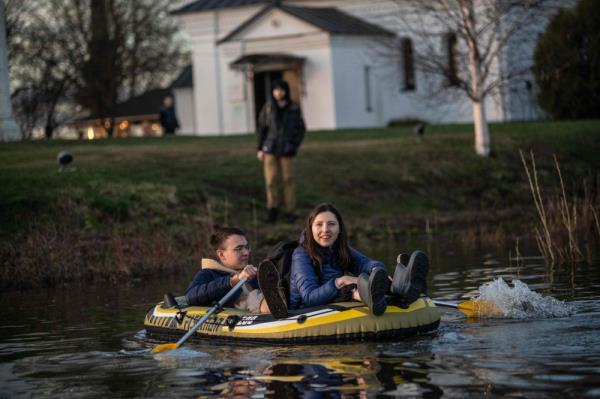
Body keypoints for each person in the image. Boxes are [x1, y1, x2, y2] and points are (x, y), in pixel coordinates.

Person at [259, 203, 429, 316]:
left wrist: (377, 271)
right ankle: (372, 293)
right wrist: (340, 281)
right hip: (306, 308)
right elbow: (310, 296)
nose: (325, 230)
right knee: (349, 286)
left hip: (334, 298)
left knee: (371, 276)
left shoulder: (341, 249)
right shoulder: (301, 254)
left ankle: (401, 286)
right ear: (310, 229)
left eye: (331, 224)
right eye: (319, 225)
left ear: (339, 228)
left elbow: (367, 263)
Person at [185, 226, 287, 318]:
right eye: (238, 249)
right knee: (250, 297)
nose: (246, 253)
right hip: (237, 307)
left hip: (260, 309)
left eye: (247, 247)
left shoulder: (252, 272)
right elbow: (190, 296)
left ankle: (281, 295)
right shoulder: (208, 273)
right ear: (221, 255)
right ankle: (271, 305)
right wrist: (234, 280)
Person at [256, 79, 306, 223]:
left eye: (281, 89)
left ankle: (290, 211)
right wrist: (260, 148)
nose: (278, 92)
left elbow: (301, 129)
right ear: (273, 92)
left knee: (288, 180)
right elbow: (262, 129)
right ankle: (272, 209)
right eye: (276, 90)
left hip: (287, 149)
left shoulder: (294, 108)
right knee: (271, 180)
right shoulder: (268, 107)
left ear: (286, 91)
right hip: (270, 148)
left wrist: (294, 145)